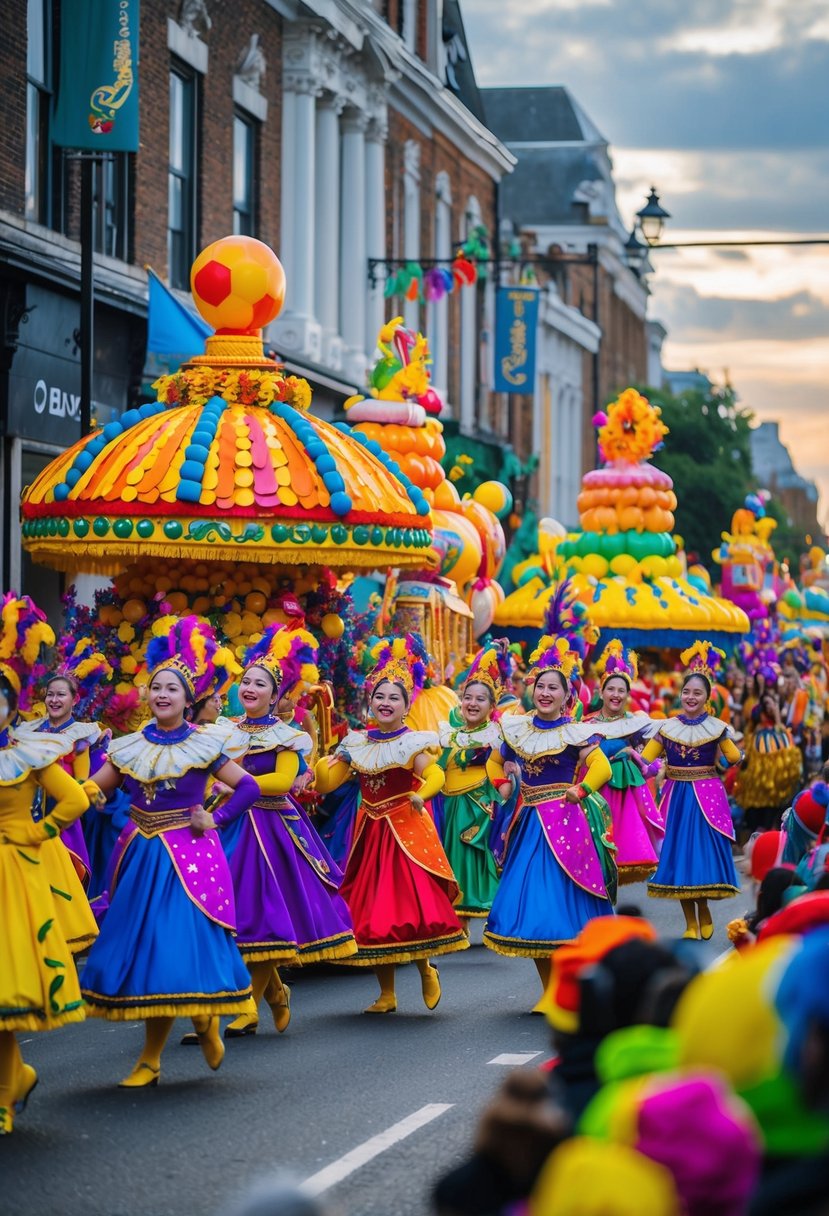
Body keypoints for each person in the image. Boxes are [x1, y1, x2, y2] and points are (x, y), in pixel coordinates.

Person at [80, 617, 260, 1087]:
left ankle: (162, 1050)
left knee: (174, 947)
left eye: (172, 689)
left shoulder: (205, 744)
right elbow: (92, 788)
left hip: (190, 860)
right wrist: (61, 793)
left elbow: (248, 787)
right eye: (156, 687)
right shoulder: (129, 747)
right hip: (141, 857)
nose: (162, 694)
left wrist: (214, 819)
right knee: (148, 951)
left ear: (187, 699)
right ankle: (178, 1039)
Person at [216, 625, 356, 1040]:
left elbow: (281, 780)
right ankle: (274, 992)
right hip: (228, 824)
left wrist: (237, 784)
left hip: (270, 830)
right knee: (231, 917)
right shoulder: (224, 730)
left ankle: (246, 1008)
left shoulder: (286, 736)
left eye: (261, 684)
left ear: (275, 696)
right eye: (246, 681)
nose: (251, 688)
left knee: (262, 917)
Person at [315, 635, 467, 1013]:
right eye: (379, 696)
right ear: (371, 701)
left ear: (406, 705)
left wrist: (423, 794)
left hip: (405, 830)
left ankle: (425, 969)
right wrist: (320, 764)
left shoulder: (411, 742)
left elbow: (433, 775)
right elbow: (328, 782)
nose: (385, 703)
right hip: (369, 831)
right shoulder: (357, 742)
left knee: (408, 907)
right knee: (372, 912)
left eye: (393, 698)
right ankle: (386, 993)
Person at [0, 593, 91, 1136]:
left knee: (5, 993)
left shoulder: (26, 753)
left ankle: (6, 1093)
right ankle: (18, 1077)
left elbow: (75, 799)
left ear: (13, 707)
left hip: (10, 877)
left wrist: (37, 832)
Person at [482, 633, 614, 1005]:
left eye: (553, 688)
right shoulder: (517, 728)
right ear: (532, 690)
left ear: (566, 696)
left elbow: (601, 766)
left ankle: (577, 986)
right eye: (541, 686)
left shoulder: (575, 732)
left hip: (566, 824)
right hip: (527, 824)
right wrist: (502, 785)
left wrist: (581, 790)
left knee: (565, 907)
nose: (545, 693)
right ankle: (550, 989)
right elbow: (494, 760)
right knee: (534, 908)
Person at [644, 642, 743, 939]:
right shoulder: (667, 727)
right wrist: (627, 755)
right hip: (676, 796)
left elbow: (733, 757)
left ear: (707, 697)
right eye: (687, 692)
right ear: (680, 694)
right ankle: (689, 922)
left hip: (706, 797)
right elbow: (647, 759)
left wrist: (732, 745)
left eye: (697, 693)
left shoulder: (716, 727)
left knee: (697, 856)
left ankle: (704, 909)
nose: (690, 697)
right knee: (677, 857)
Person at [433, 642, 508, 929]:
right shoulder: (448, 735)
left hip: (482, 805)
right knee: (456, 861)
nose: (472, 703)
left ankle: (496, 917)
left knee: (482, 860)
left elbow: (506, 763)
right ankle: (458, 922)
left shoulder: (496, 735)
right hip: (451, 806)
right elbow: (437, 766)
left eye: (480, 699)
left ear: (491, 707)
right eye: (468, 697)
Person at [586, 640, 664, 884]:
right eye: (611, 689)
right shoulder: (586, 725)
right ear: (601, 692)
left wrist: (635, 756)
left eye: (621, 690)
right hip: (593, 795)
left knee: (616, 855)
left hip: (623, 799)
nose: (616, 695)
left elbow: (650, 764)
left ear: (628, 695)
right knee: (592, 854)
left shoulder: (636, 724)